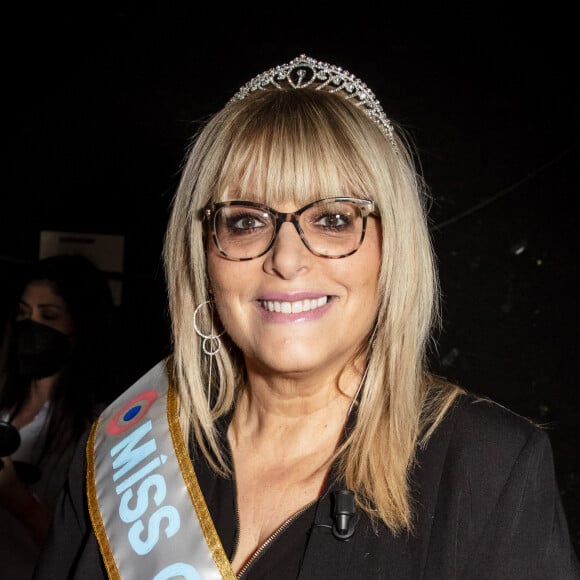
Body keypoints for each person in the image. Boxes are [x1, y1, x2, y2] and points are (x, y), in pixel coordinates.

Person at [33, 55, 579, 579]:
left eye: (334, 218)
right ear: (204, 256)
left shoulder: (485, 469)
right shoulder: (122, 451)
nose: (287, 259)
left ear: (394, 250)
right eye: (245, 221)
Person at [0, 254, 119, 579]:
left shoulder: (99, 429)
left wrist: (17, 498)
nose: (32, 327)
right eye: (24, 314)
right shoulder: (6, 400)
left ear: (80, 326)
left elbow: (86, 551)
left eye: (49, 315)